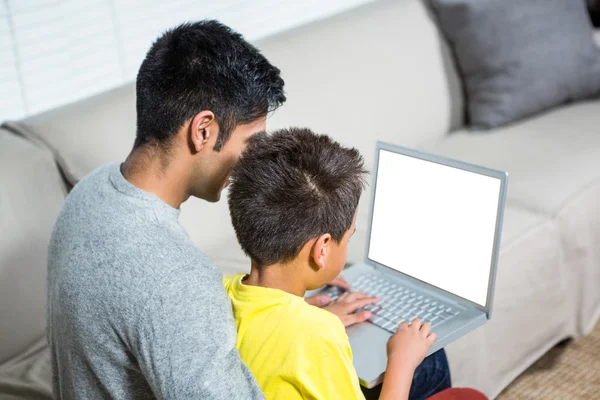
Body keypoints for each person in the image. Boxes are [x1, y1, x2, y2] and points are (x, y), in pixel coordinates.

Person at [46, 19, 449, 399]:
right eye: (251, 142)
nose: (254, 161)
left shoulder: (92, 192)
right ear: (203, 130)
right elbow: (172, 304)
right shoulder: (176, 281)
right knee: (430, 362)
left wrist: (287, 317)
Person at [225, 128, 450, 400]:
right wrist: (401, 362)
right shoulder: (318, 334)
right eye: (349, 236)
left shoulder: (224, 291)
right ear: (321, 250)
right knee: (432, 361)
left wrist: (307, 315)